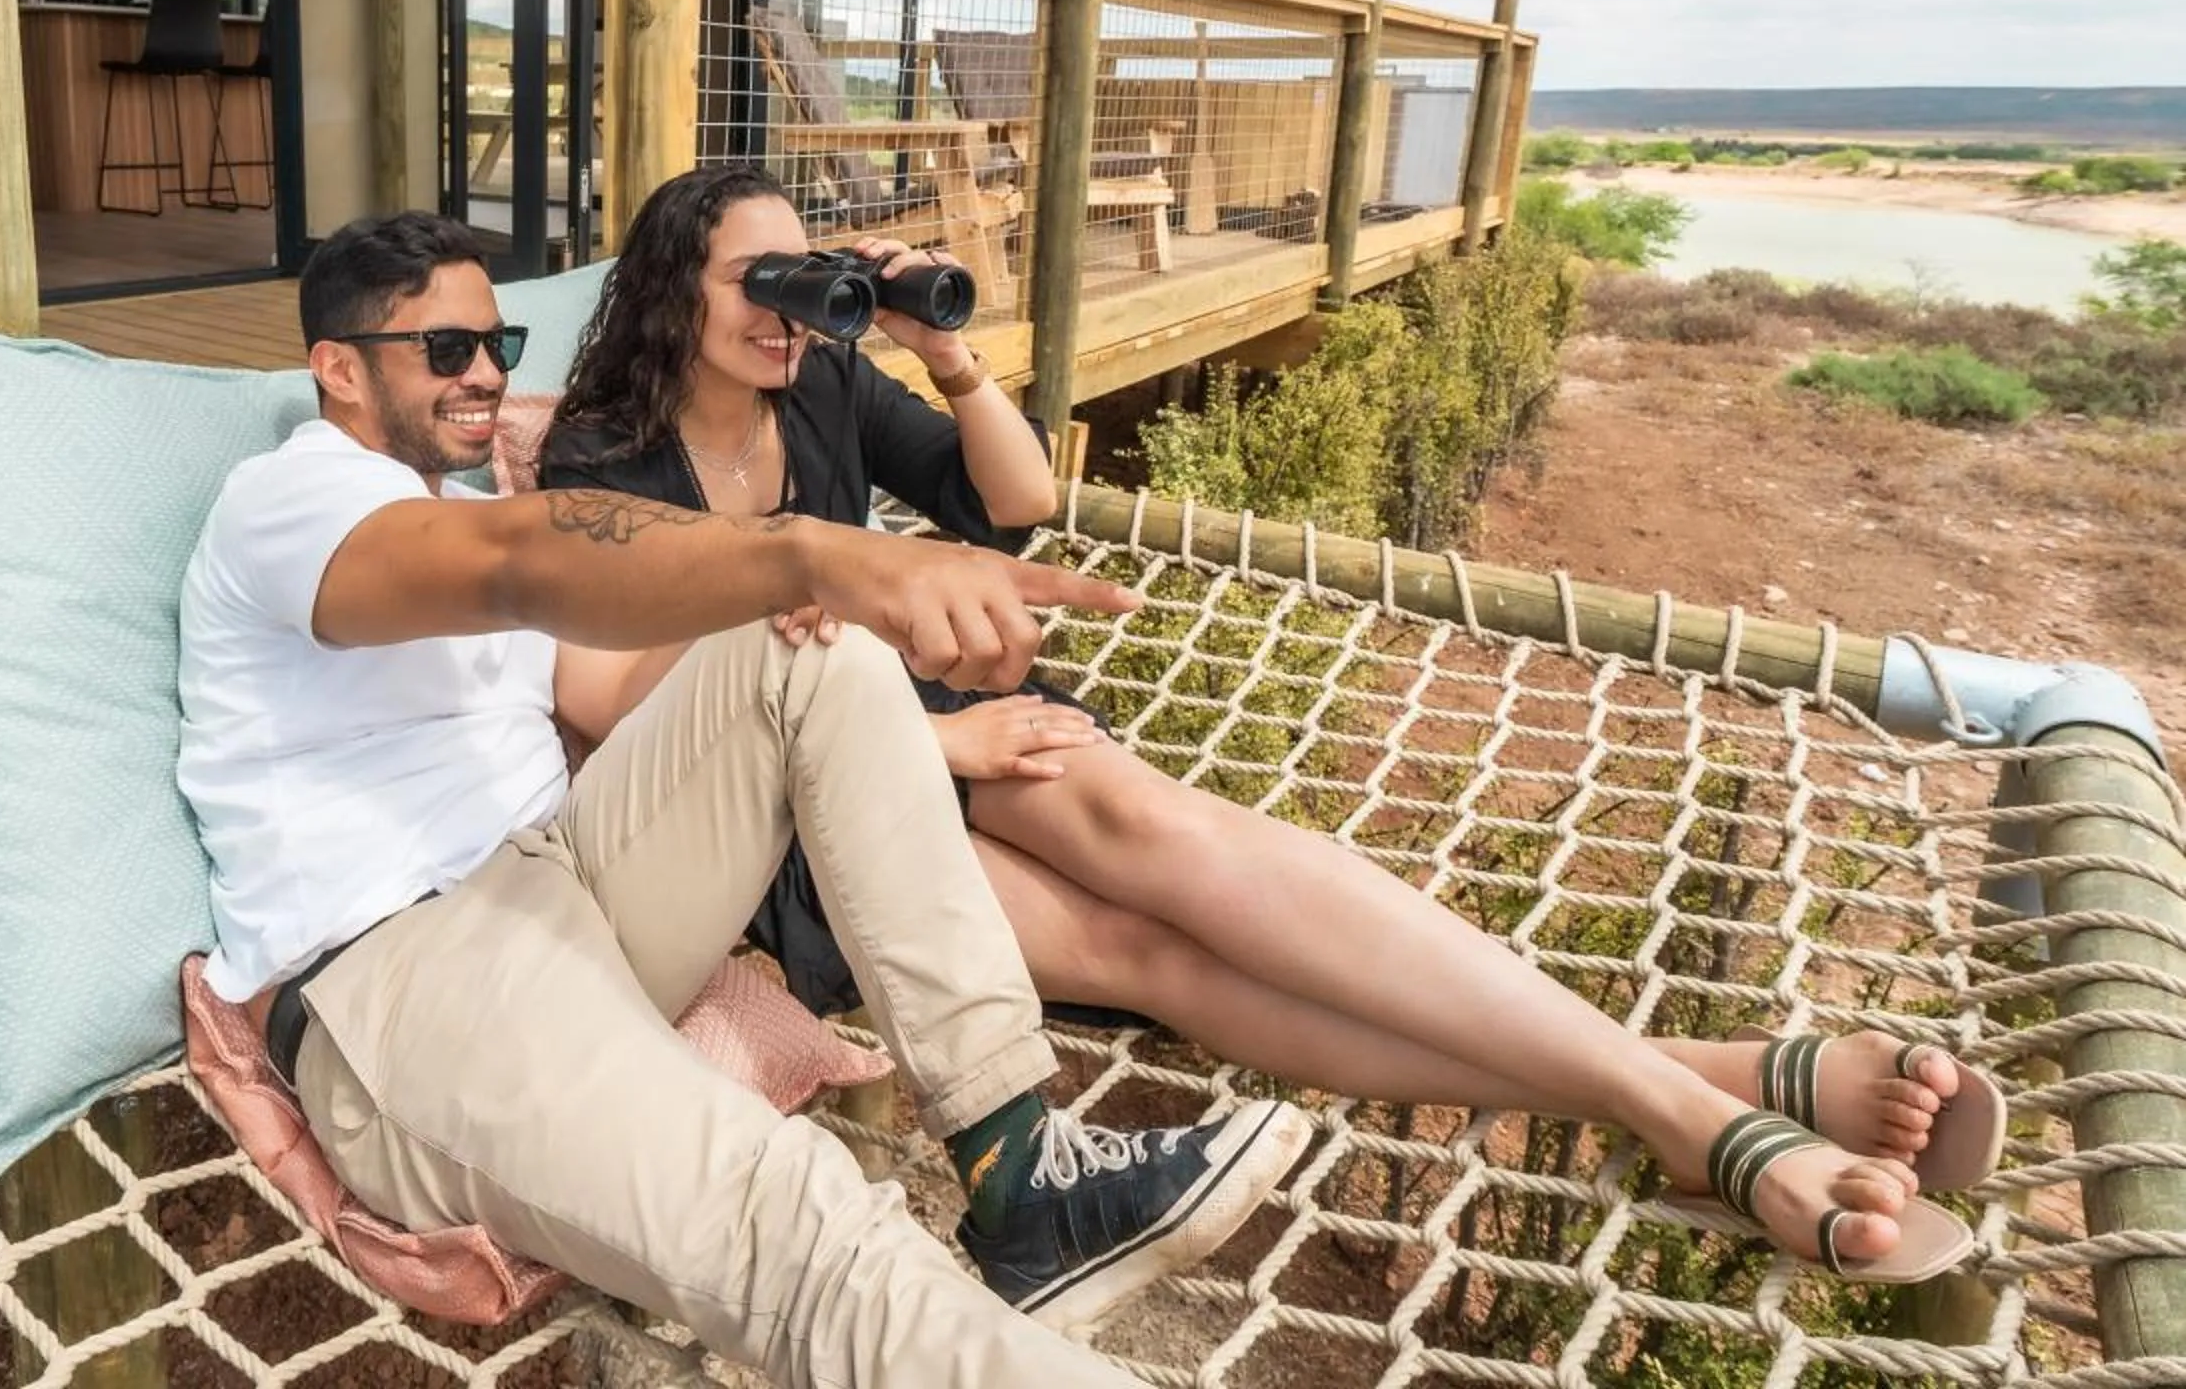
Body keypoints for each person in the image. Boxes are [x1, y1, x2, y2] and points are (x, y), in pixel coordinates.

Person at [538, 163, 2007, 1285]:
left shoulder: (825, 386)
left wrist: (949, 352)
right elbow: (604, 703)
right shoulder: (605, 457)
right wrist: (937, 746)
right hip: (801, 805)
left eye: (804, 278)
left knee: (1155, 826)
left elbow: (1022, 502)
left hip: (936, 701)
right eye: (757, 283)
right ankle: (1707, 1101)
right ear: (674, 290)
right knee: (1145, 954)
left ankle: (1689, 1104)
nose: (789, 313)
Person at [175, 211, 1317, 1389]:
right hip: (405, 977)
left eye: (500, 343)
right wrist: (805, 552)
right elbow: (522, 558)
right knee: (795, 1221)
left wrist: (817, 613)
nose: (484, 375)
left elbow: (611, 676)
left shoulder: (457, 511)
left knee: (815, 655)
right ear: (338, 367)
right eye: (446, 348)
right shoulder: (294, 501)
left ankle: (1011, 1162)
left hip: (564, 882)